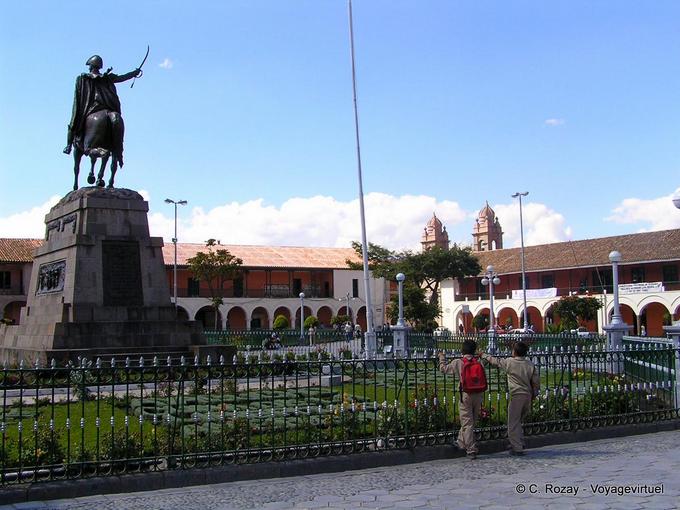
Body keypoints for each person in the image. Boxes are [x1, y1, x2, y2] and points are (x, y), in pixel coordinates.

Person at [64, 55, 142, 164]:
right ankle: (117, 150)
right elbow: (122, 78)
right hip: (109, 107)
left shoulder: (83, 78)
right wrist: (134, 73)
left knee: (73, 122)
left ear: (91, 66)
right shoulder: (107, 77)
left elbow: (78, 98)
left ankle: (68, 146)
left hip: (92, 108)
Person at [481, 341, 539, 456]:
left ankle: (517, 447)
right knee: (518, 421)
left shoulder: (510, 362)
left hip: (517, 395)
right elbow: (536, 382)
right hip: (527, 395)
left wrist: (484, 355)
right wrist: (535, 394)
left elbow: (496, 361)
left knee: (512, 422)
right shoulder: (529, 364)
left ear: (514, 352)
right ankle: (519, 442)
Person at [438, 340, 486, 459]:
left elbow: (443, 369)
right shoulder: (478, 362)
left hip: (466, 394)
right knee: (471, 421)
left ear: (462, 350)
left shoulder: (458, 362)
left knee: (467, 422)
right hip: (478, 394)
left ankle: (471, 449)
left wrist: (441, 358)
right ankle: (461, 441)